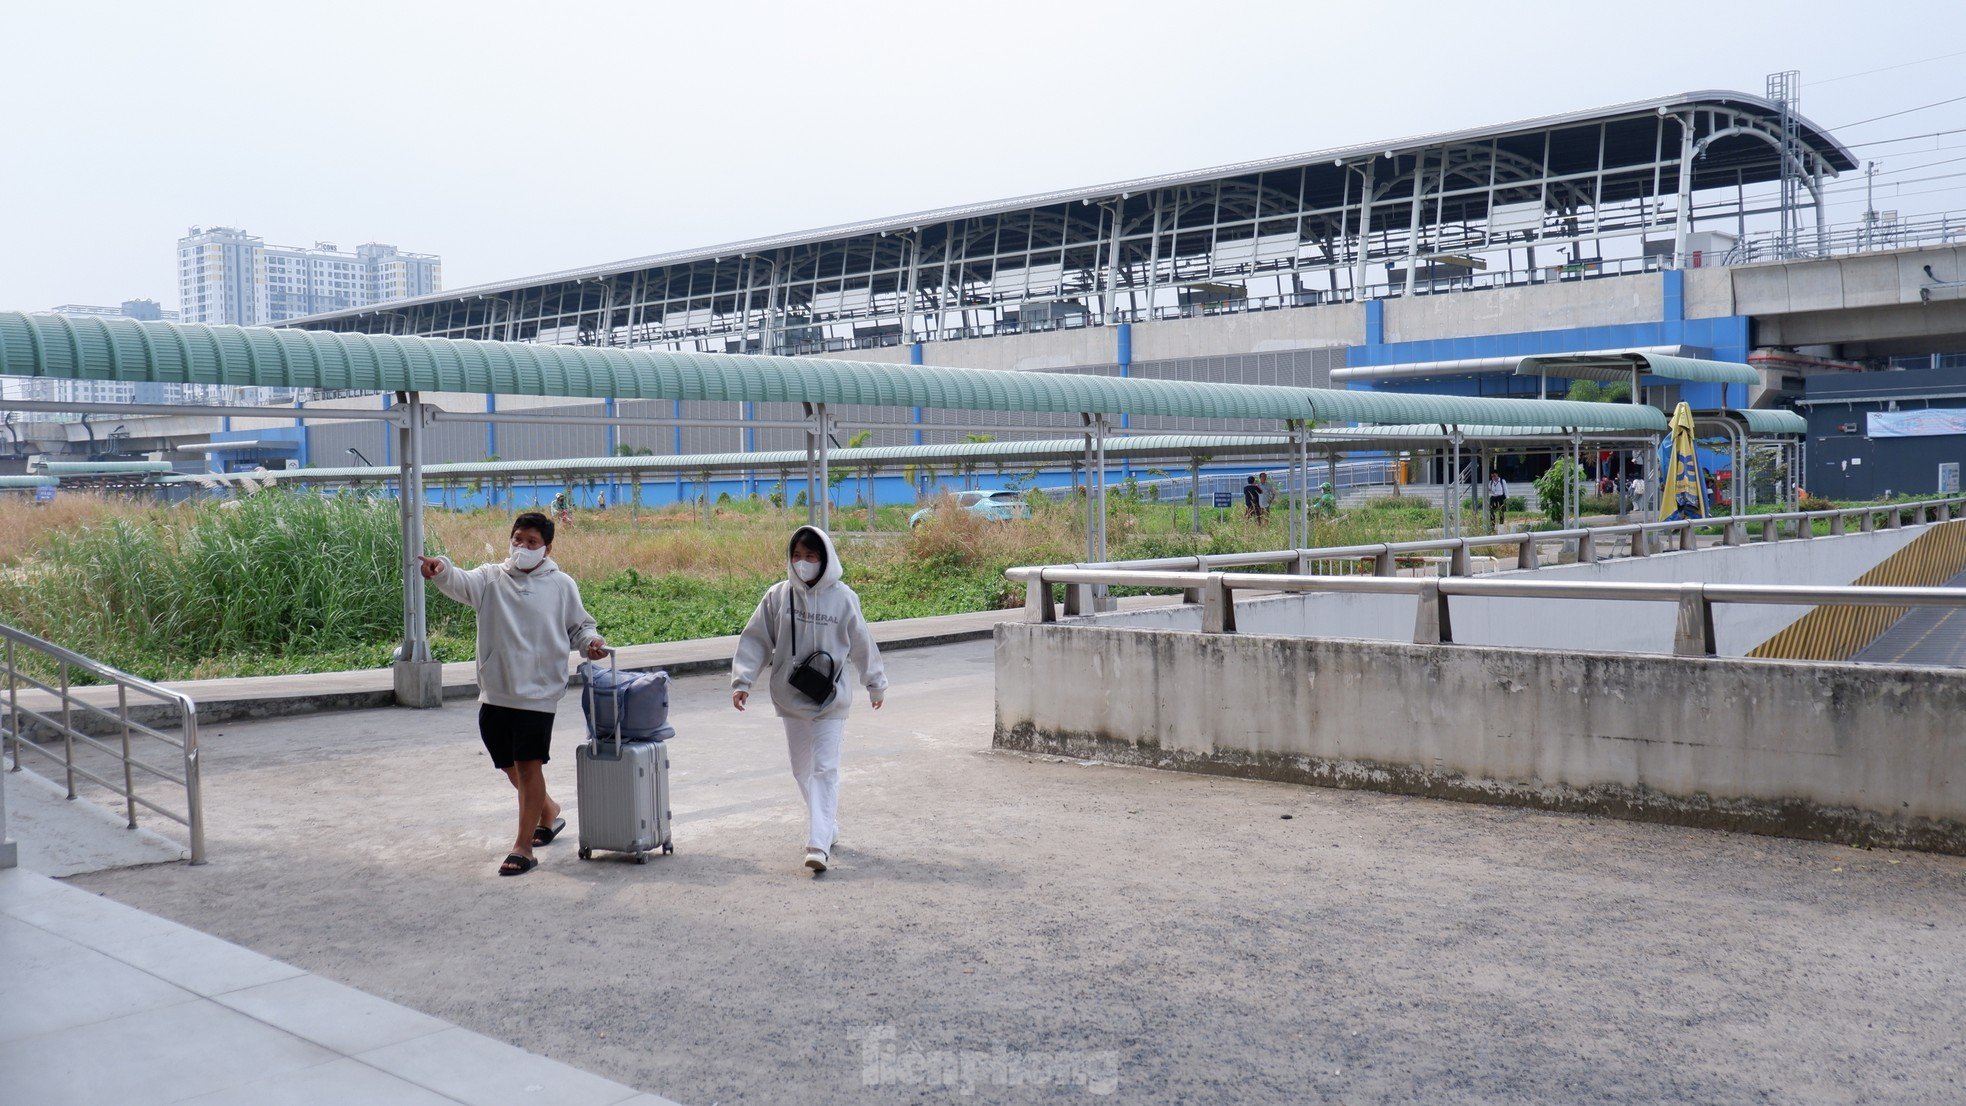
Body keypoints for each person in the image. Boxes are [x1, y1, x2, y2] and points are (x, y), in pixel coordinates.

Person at [418, 512, 608, 878]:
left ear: (547, 548)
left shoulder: (562, 584)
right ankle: (548, 812)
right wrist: (440, 569)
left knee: (527, 764)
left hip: (538, 693)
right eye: (518, 539)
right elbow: (458, 580)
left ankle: (523, 847)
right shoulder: (490, 578)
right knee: (507, 764)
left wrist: (592, 644)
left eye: (532, 542)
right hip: (495, 691)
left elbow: (580, 627)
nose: (522, 547)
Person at [730, 526, 887, 874]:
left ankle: (817, 843)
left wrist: (875, 683)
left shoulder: (845, 598)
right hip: (791, 696)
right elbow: (756, 639)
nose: (803, 563)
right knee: (801, 769)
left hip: (832, 698)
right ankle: (828, 826)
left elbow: (862, 642)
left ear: (825, 560)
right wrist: (743, 680)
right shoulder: (778, 596)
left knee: (825, 769)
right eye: (797, 556)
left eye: (811, 557)